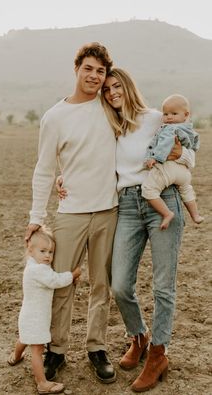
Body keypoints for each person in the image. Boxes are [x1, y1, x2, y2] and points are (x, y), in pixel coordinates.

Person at [25, 43, 119, 384]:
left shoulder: (111, 107)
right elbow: (45, 169)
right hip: (70, 213)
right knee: (63, 285)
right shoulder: (55, 116)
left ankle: (97, 348)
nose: (94, 76)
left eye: (101, 71)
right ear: (77, 69)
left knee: (101, 285)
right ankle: (57, 350)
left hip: (109, 210)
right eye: (88, 69)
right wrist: (37, 215)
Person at [101, 68, 195, 392]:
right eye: (106, 89)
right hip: (127, 205)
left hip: (162, 201)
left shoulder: (157, 118)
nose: (112, 92)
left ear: (127, 87)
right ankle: (138, 336)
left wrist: (180, 152)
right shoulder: (111, 126)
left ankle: (158, 354)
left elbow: (190, 153)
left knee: (162, 286)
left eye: (116, 86)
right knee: (120, 284)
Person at [8, 227, 81, 394]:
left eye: (51, 252)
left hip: (28, 315)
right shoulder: (39, 270)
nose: (48, 256)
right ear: (30, 250)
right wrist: (73, 274)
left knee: (25, 338)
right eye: (43, 251)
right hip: (36, 318)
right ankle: (42, 383)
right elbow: (55, 280)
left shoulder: (32, 264)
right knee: (37, 350)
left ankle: (17, 355)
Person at [141, 93, 204, 229]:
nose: (169, 117)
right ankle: (195, 215)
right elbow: (195, 145)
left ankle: (167, 213)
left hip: (168, 168)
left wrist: (155, 157)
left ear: (186, 114)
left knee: (149, 190)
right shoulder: (190, 130)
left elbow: (165, 144)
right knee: (186, 189)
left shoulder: (169, 129)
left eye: (174, 113)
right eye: (166, 114)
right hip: (184, 172)